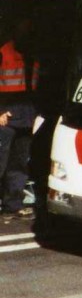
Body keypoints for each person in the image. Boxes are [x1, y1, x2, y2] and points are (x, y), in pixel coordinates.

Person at [0, 19, 36, 220]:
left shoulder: (32, 56)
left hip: (26, 117)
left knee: (18, 164)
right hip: (6, 118)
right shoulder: (3, 52)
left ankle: (12, 205)